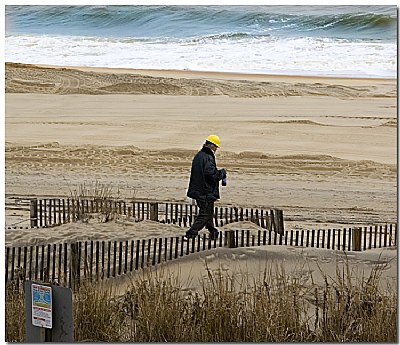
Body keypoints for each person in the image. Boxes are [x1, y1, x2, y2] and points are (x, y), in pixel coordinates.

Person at [185, 134, 227, 240]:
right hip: (205, 192)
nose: (216, 149)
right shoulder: (207, 157)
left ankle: (213, 231)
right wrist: (221, 174)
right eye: (216, 147)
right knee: (205, 214)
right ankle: (191, 233)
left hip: (200, 190)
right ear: (212, 146)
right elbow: (211, 173)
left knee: (208, 213)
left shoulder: (199, 155)